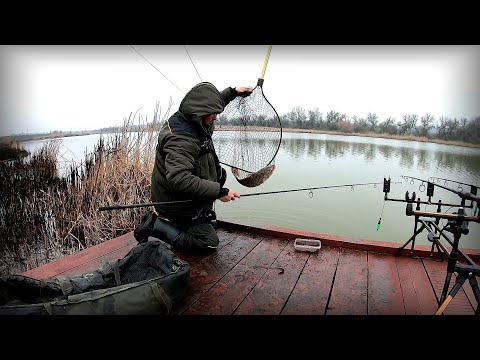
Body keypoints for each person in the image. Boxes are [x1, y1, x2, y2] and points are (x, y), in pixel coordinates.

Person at [134, 82, 253, 253]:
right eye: (213, 113)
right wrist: (220, 192)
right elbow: (179, 179)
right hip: (175, 202)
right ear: (200, 112)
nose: (216, 117)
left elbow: (212, 101)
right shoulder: (181, 138)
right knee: (209, 243)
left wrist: (232, 92)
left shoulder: (196, 120)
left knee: (221, 174)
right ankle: (155, 225)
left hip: (186, 197)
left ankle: (199, 217)